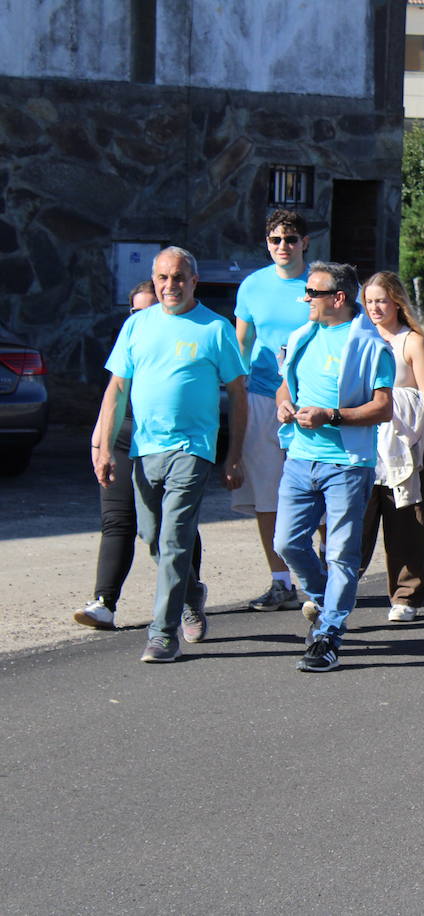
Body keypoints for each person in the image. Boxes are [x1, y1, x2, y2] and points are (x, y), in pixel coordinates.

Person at [93, 248, 247, 662]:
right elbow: (117, 389)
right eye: (162, 278)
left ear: (194, 281)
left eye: (178, 277)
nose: (169, 286)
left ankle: (162, 634)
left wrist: (234, 455)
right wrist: (105, 447)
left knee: (175, 538)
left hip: (193, 449)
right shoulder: (137, 325)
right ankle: (192, 592)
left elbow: (237, 393)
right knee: (153, 538)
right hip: (145, 449)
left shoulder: (215, 329)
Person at [273, 262, 395, 672]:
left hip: (346, 463)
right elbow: (284, 384)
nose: (305, 298)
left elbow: (383, 408)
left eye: (313, 292)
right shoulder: (301, 335)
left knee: (342, 552)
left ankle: (329, 634)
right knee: (287, 543)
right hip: (300, 458)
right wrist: (284, 404)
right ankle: (325, 601)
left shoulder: (370, 345)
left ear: (338, 298)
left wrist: (332, 416)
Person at [76, 282, 206, 632]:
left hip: (170, 442)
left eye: (150, 308)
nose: (143, 316)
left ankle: (189, 599)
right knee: (117, 521)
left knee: (172, 528)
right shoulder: (132, 336)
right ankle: (104, 603)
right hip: (123, 435)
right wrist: (100, 444)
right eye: (136, 310)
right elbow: (114, 392)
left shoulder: (186, 335)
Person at [233, 209, 311, 612]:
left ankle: (323, 580)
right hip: (263, 397)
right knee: (269, 491)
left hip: (312, 401)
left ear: (305, 243)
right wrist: (234, 396)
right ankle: (281, 582)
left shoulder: (319, 283)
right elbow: (240, 346)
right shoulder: (251, 286)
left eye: (291, 239)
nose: (283, 247)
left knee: (319, 487)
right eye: (275, 240)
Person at [357, 272, 424, 623]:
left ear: (397, 302)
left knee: (407, 525)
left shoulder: (412, 342)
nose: (375, 308)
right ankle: (332, 592)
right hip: (361, 446)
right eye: (370, 301)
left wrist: (390, 402)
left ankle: (406, 596)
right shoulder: (356, 338)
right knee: (353, 525)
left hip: (403, 449)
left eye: (382, 300)